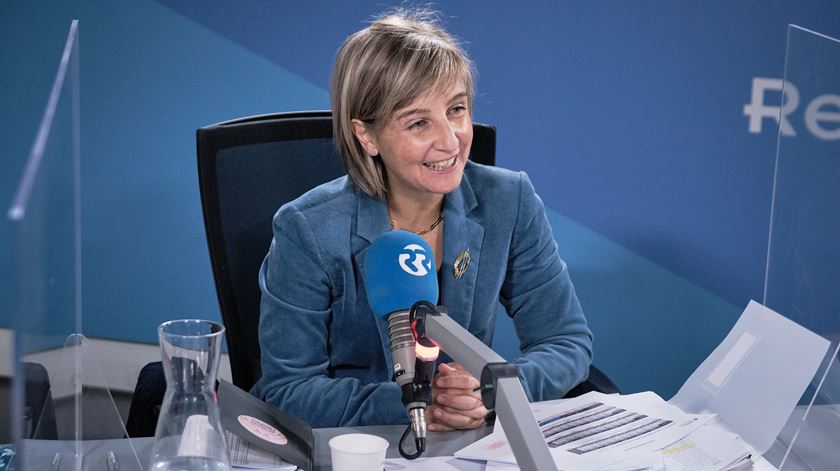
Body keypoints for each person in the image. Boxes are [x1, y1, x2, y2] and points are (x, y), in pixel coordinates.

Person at [252, 9, 592, 430]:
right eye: (418, 122)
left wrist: (493, 388)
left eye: (456, 110)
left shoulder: (510, 200)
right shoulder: (307, 229)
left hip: (466, 449)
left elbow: (565, 342)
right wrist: (414, 405)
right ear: (367, 136)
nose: (450, 141)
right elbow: (288, 390)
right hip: (359, 446)